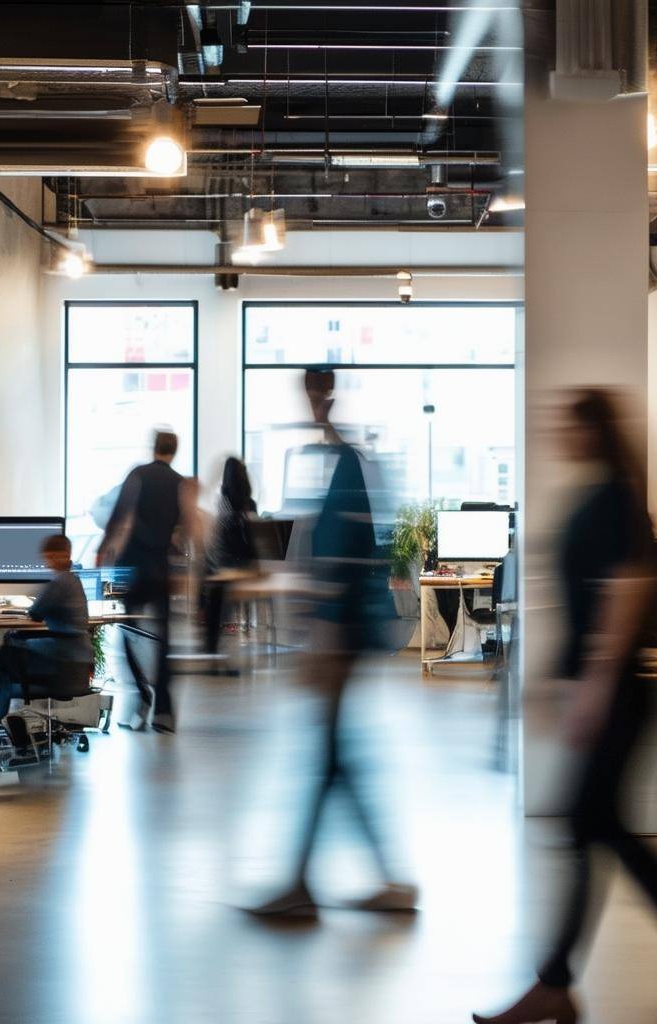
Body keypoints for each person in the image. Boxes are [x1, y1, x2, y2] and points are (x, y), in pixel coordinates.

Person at [473, 389, 657, 1024]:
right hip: (604, 691)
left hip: (614, 696)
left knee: (594, 831)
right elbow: (581, 601)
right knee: (600, 833)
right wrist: (553, 676)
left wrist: (593, 689)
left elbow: (626, 594)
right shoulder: (601, 494)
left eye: (565, 423)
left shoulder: (608, 499)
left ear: (590, 432)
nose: (555, 433)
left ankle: (560, 985)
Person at [248, 368, 416, 917]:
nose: (310, 405)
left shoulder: (349, 466)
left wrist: (323, 635)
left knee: (331, 758)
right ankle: (371, 881)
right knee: (334, 759)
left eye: (314, 395)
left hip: (344, 634)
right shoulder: (343, 462)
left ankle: (313, 886)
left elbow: (347, 558)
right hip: (343, 631)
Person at [98, 429, 189, 734]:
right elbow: (183, 532)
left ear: (154, 448)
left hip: (130, 567)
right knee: (163, 640)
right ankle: (164, 711)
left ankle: (141, 697)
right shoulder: (180, 483)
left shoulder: (138, 474)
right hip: (161, 569)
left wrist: (103, 548)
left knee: (125, 628)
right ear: (174, 450)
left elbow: (120, 514)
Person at [0, 534, 92, 724]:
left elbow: (36, 613)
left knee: (9, 646)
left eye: (52, 557)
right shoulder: (73, 580)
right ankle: (7, 709)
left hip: (64, 655)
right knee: (16, 641)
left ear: (66, 555)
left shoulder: (60, 582)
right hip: (76, 655)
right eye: (47, 558)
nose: (49, 562)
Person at [202, 456, 258, 653]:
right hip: (246, 563)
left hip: (225, 565)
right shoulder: (249, 504)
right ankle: (232, 624)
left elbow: (217, 540)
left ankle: (211, 637)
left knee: (209, 575)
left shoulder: (221, 503)